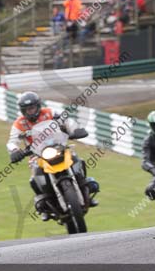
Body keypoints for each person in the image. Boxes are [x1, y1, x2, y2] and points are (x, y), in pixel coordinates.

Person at [6, 91, 98, 220]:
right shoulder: (19, 124)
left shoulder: (49, 112)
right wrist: (15, 150)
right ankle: (44, 202)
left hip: (59, 146)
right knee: (33, 179)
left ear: (38, 106)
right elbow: (12, 141)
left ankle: (85, 190)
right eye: (27, 109)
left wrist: (75, 129)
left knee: (77, 160)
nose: (30, 111)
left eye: (32, 108)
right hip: (37, 154)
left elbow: (67, 120)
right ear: (22, 110)